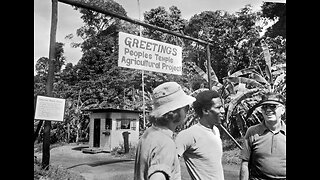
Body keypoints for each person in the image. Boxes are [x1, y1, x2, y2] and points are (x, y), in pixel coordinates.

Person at [134, 81, 196, 180]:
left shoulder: (148, 134)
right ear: (174, 112)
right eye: (185, 107)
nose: (188, 110)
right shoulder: (165, 144)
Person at [175, 90, 225, 180]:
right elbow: (169, 163)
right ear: (206, 111)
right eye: (218, 107)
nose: (223, 111)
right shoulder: (188, 135)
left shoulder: (215, 131)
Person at [239, 92, 286, 180]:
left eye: (273, 106)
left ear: (282, 110)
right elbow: (245, 163)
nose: (268, 110)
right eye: (264, 107)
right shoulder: (252, 132)